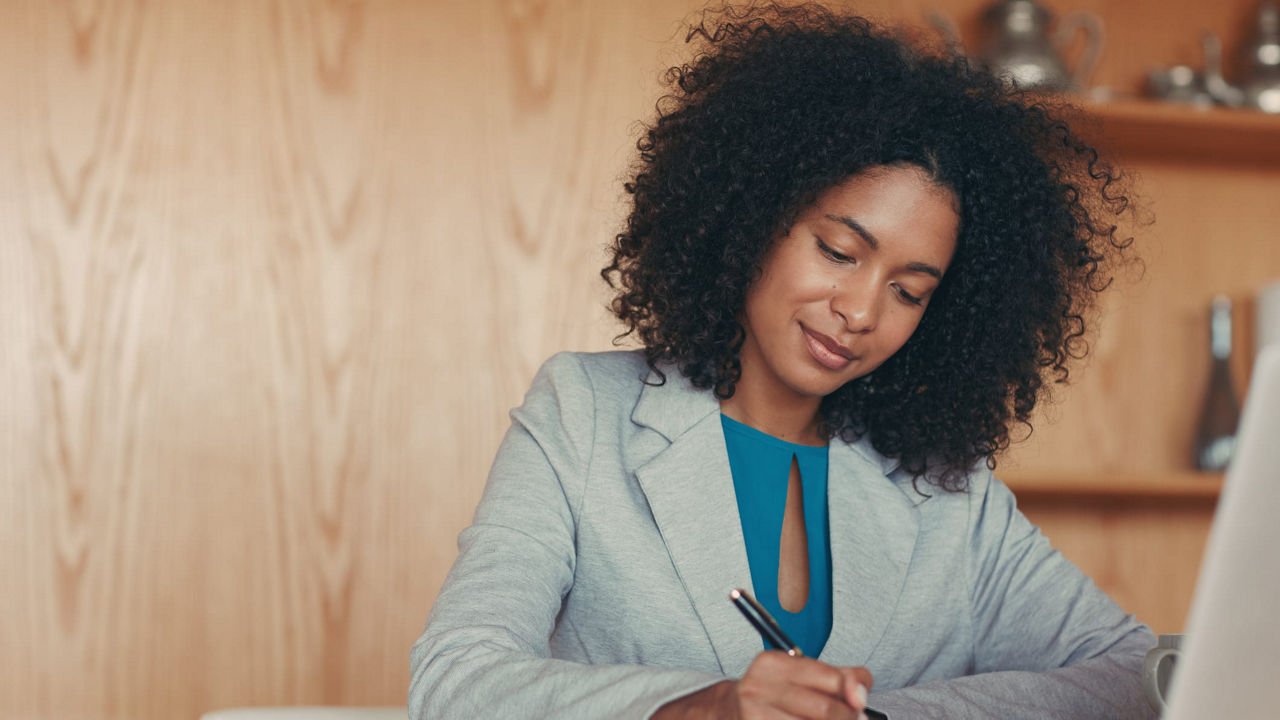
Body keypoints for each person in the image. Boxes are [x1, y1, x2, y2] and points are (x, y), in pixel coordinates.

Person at [410, 3, 1154, 718]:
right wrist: (696, 710)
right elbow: (458, 679)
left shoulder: (948, 493)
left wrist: (874, 715)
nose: (861, 312)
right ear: (754, 215)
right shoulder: (581, 413)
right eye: (838, 251)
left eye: (909, 291)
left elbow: (1133, 677)